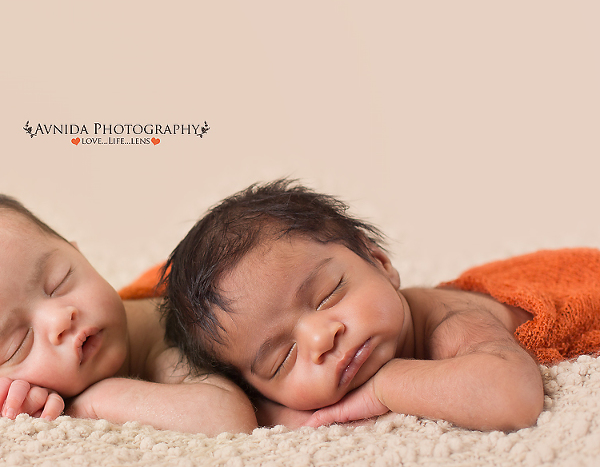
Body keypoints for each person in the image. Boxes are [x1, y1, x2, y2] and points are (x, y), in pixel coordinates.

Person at [160, 179, 600, 431]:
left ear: (380, 263)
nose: (320, 338)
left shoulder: (453, 323)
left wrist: (383, 388)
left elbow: (511, 398)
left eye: (328, 295)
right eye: (282, 359)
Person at [0, 194, 257, 435]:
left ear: (80, 255)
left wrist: (89, 403)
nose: (60, 319)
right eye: (18, 344)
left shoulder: (169, 340)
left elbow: (228, 418)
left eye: (58, 282)